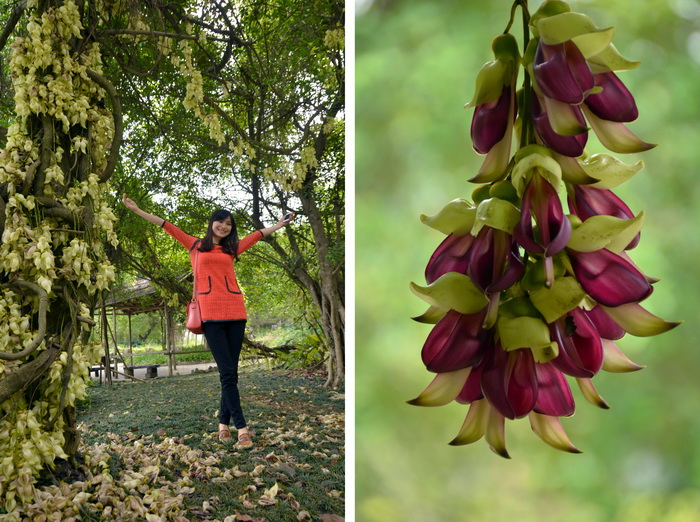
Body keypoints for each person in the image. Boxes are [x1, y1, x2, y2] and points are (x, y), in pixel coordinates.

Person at [122, 194, 294, 449]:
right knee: (227, 373)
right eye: (220, 222)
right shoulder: (195, 245)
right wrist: (137, 210)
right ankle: (242, 429)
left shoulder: (231, 249)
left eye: (228, 224)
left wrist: (279, 224)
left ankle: (223, 425)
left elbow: (257, 235)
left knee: (230, 373)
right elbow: (166, 225)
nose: (224, 227)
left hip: (236, 312)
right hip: (210, 315)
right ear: (212, 223)